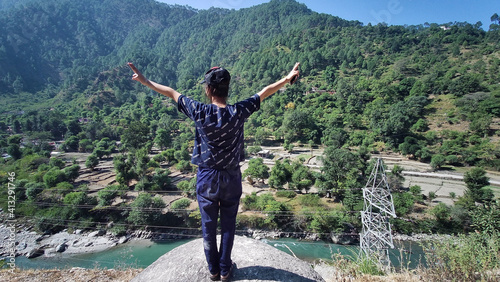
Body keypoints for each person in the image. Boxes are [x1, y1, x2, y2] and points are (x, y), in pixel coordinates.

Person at [128, 62, 299, 281]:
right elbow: (265, 92)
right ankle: (226, 270)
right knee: (228, 224)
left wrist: (144, 80)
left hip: (207, 177)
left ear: (208, 90)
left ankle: (213, 270)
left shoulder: (199, 110)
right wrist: (286, 79)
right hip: (231, 176)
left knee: (208, 224)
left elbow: (171, 92)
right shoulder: (239, 111)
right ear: (227, 89)